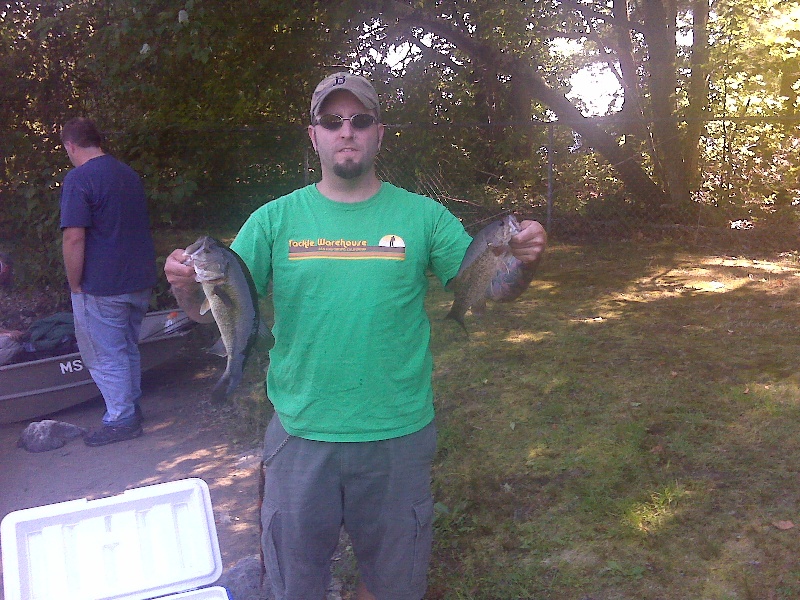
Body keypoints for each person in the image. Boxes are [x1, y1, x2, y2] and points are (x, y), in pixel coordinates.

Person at [165, 72, 547, 600]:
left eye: (360, 120)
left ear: (379, 133)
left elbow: (493, 287)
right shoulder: (273, 220)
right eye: (332, 120)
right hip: (301, 436)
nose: (347, 131)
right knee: (294, 586)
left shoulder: (423, 216)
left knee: (393, 587)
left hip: (398, 435)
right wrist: (186, 288)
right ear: (314, 135)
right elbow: (219, 306)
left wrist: (523, 261)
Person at [60, 117, 157, 447]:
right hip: (138, 280)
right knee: (127, 347)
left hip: (102, 284)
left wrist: (75, 284)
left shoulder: (79, 179)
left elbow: (74, 238)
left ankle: (121, 418)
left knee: (104, 355)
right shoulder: (127, 174)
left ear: (71, 146)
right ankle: (130, 407)